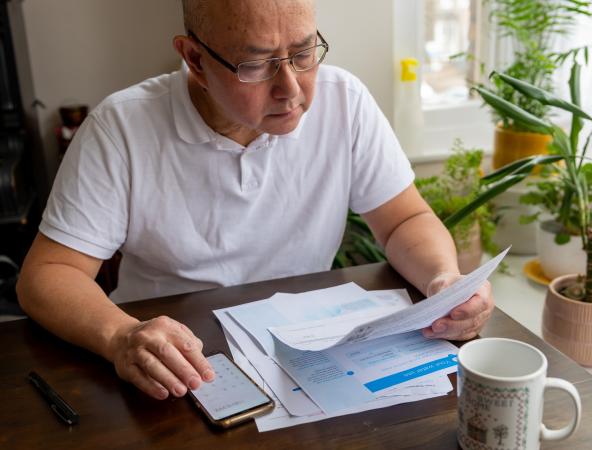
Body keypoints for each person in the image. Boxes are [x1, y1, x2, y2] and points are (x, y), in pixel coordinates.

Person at [16, 0, 495, 401]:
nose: (291, 88)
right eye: (257, 64)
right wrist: (119, 336)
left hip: (310, 352)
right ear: (195, 60)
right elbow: (47, 275)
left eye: (304, 52)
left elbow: (403, 218)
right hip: (178, 364)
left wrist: (443, 281)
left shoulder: (344, 99)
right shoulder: (121, 128)